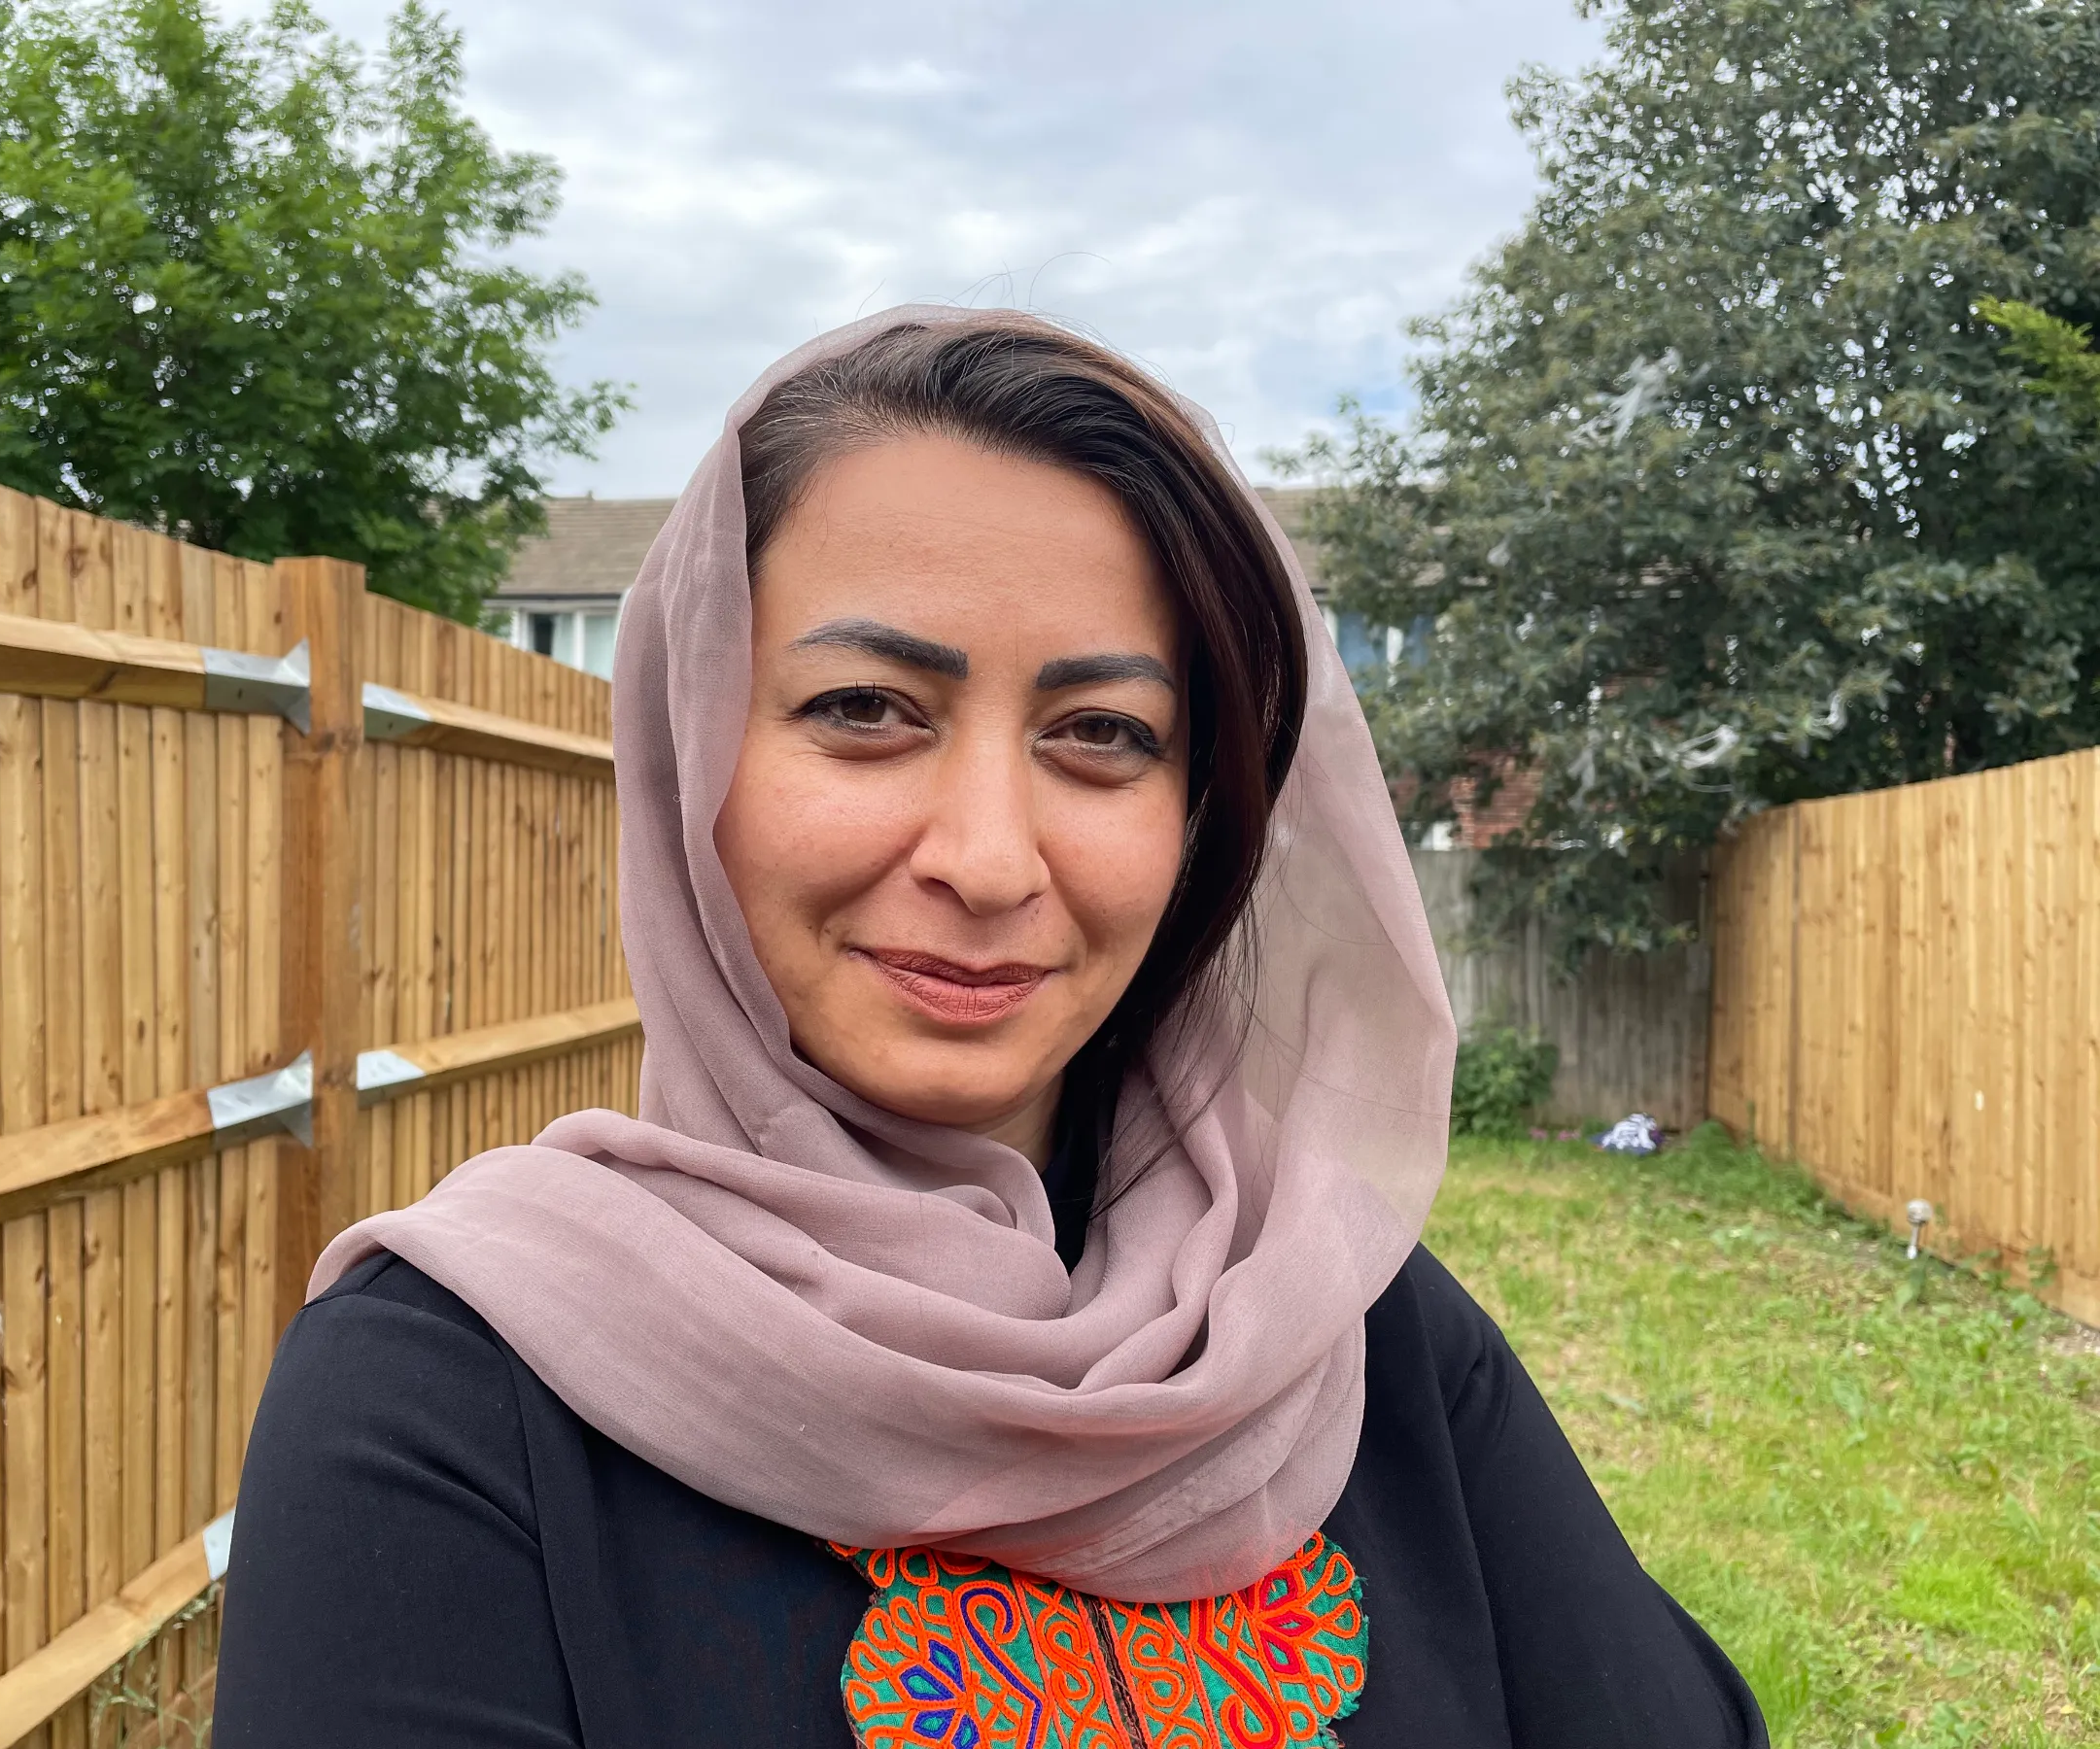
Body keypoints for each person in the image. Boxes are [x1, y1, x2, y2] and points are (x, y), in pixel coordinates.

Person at [213, 308, 1768, 1748]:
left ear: (1200, 817)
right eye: (866, 710)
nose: (986, 858)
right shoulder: (446, 1408)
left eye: (1102, 735)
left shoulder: (1340, 1330)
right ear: (695, 759)